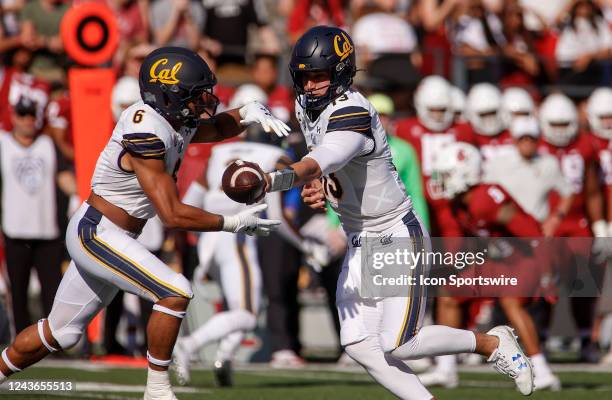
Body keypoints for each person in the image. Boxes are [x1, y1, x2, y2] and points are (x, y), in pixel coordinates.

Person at [250, 26, 534, 399]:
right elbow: (328, 166)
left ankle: (491, 344)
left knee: (398, 343)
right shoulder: (307, 106)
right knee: (358, 343)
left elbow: (326, 156)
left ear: (340, 73)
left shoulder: (353, 110)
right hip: (358, 235)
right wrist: (320, 184)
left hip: (395, 230)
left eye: (318, 75)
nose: (310, 85)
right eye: (304, 76)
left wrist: (274, 180)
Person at [0, 46, 288, 400]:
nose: (204, 102)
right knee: (175, 291)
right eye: (196, 96)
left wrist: (246, 113)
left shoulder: (169, 118)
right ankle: (157, 391)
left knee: (61, 333)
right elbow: (172, 213)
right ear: (169, 95)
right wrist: (231, 222)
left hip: (112, 232)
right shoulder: (147, 130)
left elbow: (212, 128)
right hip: (98, 231)